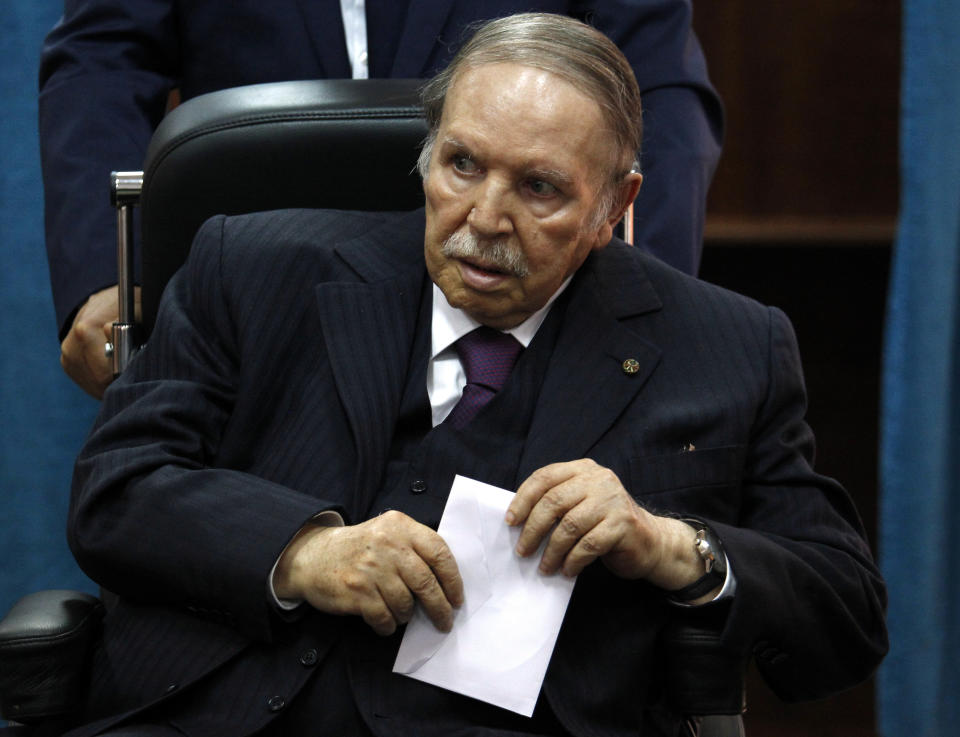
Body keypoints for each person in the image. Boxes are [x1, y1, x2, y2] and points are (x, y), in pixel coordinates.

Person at [66, 13, 886, 737]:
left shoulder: (726, 345)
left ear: (615, 204)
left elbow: (844, 612)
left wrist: (669, 543)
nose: (486, 217)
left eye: (539, 188)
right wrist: (302, 553)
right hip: (218, 713)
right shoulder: (250, 267)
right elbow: (117, 490)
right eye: (462, 165)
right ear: (427, 157)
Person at [39, 0, 723, 399]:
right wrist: (109, 271)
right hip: (252, 313)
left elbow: (653, 86)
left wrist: (636, 302)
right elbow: (102, 57)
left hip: (520, 316)